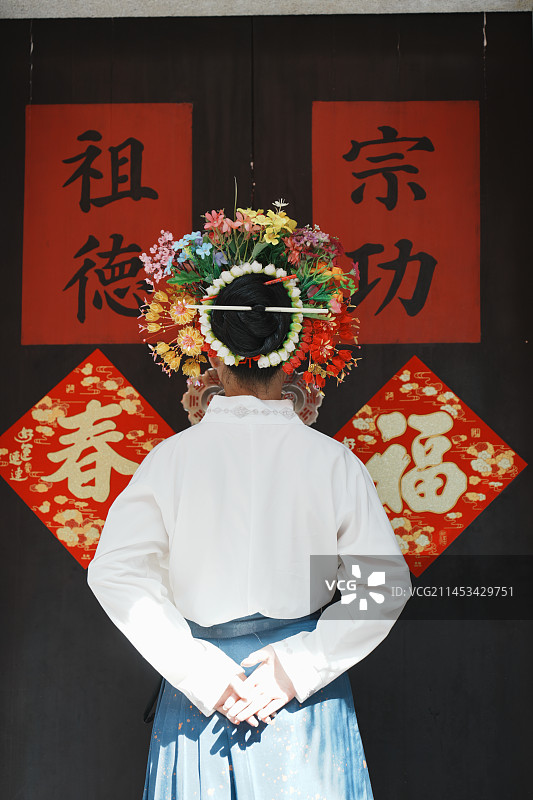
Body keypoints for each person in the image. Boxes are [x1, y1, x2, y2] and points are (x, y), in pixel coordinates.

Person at [87, 204, 412, 799]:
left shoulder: (171, 460)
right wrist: (302, 666)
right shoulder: (332, 462)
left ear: (211, 353)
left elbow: (115, 572)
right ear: (293, 352)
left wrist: (198, 671)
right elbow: (383, 583)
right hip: (298, 702)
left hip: (206, 700)